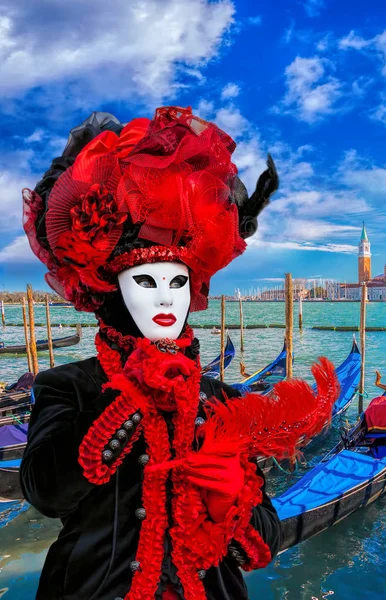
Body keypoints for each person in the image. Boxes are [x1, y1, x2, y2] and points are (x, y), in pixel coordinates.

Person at [20, 106, 339, 600]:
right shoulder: (70, 386)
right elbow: (46, 492)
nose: (167, 298)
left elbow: (262, 545)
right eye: (146, 281)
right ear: (113, 290)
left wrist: (231, 500)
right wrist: (131, 398)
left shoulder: (223, 400)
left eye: (179, 282)